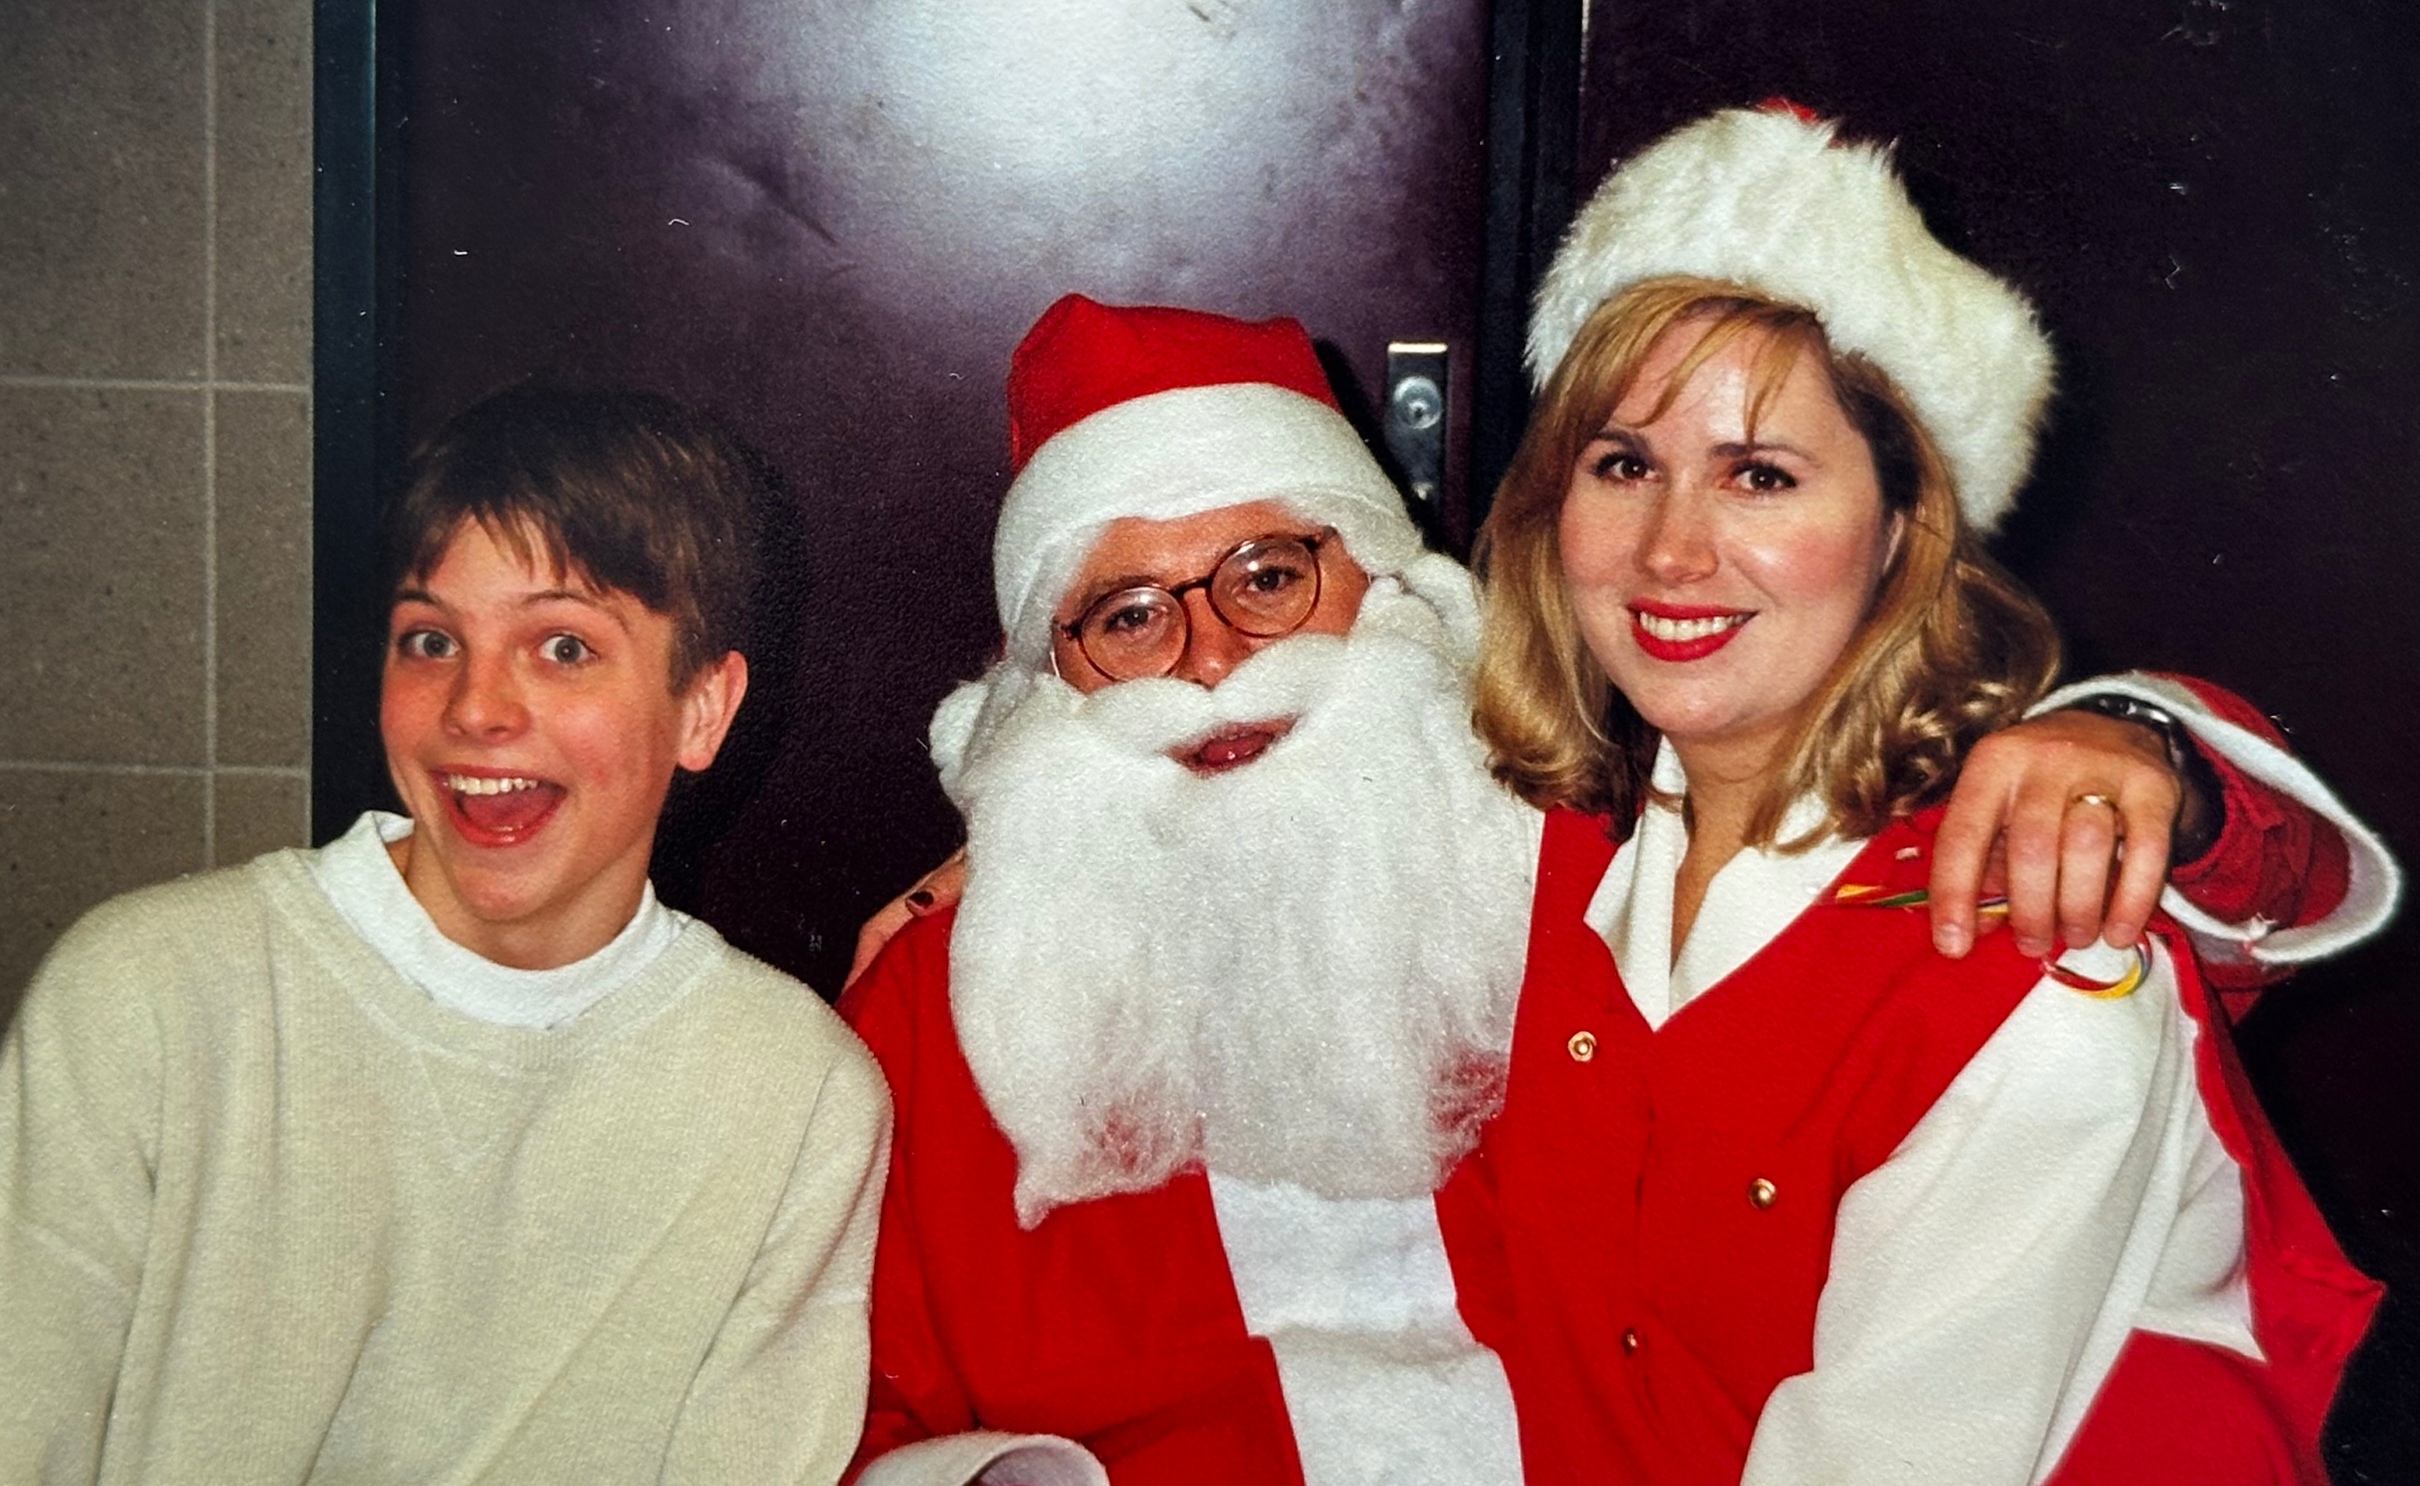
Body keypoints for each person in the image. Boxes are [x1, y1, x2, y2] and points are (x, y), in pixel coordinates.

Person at [838, 294, 2385, 1486]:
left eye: (1268, 575)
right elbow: (843, 1412)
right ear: (1045, 692)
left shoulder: (1562, 861)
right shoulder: (946, 993)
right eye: (1124, 616)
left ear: (1396, 594)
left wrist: (2151, 751)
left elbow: (2151, 934)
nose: (1217, 663)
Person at [1469, 105, 2399, 1485]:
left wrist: (2154, 738)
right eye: (1624, 464)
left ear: (1904, 530)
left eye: (1760, 476)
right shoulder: (1529, 847)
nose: (1671, 547)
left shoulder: (2032, 943)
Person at [0, 387, 890, 1485]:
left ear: (702, 708)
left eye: (561, 646)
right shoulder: (149, 994)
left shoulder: (792, 1092)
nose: (474, 707)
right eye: (430, 639)